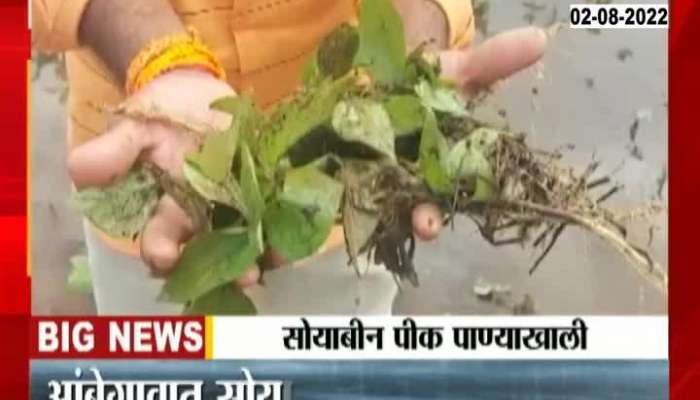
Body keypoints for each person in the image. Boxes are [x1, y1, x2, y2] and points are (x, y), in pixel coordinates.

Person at [33, 0, 547, 315]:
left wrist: (414, 35)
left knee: (337, 366)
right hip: (148, 161)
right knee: (158, 372)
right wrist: (158, 57)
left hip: (346, 178)